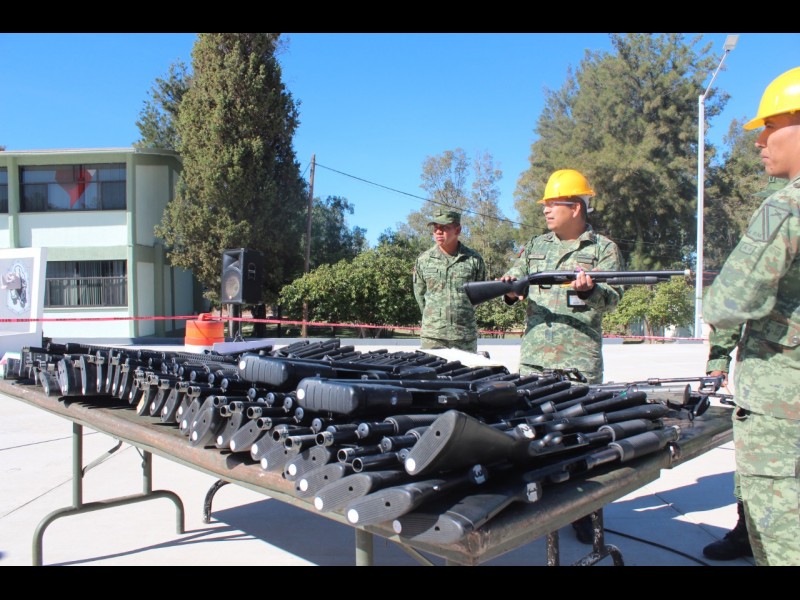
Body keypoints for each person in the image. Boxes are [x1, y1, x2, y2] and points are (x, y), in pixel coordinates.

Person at [703, 65, 800, 567]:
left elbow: (726, 303)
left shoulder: (786, 208)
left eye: (771, 126)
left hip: (782, 409)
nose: (760, 140)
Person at [500, 168, 624, 543]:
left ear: (575, 207)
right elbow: (511, 281)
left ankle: (584, 512)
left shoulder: (603, 249)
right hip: (535, 360)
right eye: (546, 204)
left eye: (553, 204)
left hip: (578, 362)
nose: (546, 210)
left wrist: (590, 291)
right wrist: (510, 288)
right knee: (532, 436)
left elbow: (612, 300)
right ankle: (537, 504)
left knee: (582, 438)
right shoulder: (535, 245)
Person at [702, 324, 754, 560]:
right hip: (769, 382)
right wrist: (718, 362)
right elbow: (731, 312)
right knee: (754, 459)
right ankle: (747, 533)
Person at [413, 209, 487, 353]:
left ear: (457, 230)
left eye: (444, 227)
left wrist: (462, 313)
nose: (438, 232)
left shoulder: (474, 260)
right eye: (435, 228)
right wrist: (435, 318)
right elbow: (420, 296)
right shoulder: (423, 260)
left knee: (467, 369)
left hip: (464, 336)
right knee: (431, 368)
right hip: (433, 336)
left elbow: (479, 296)